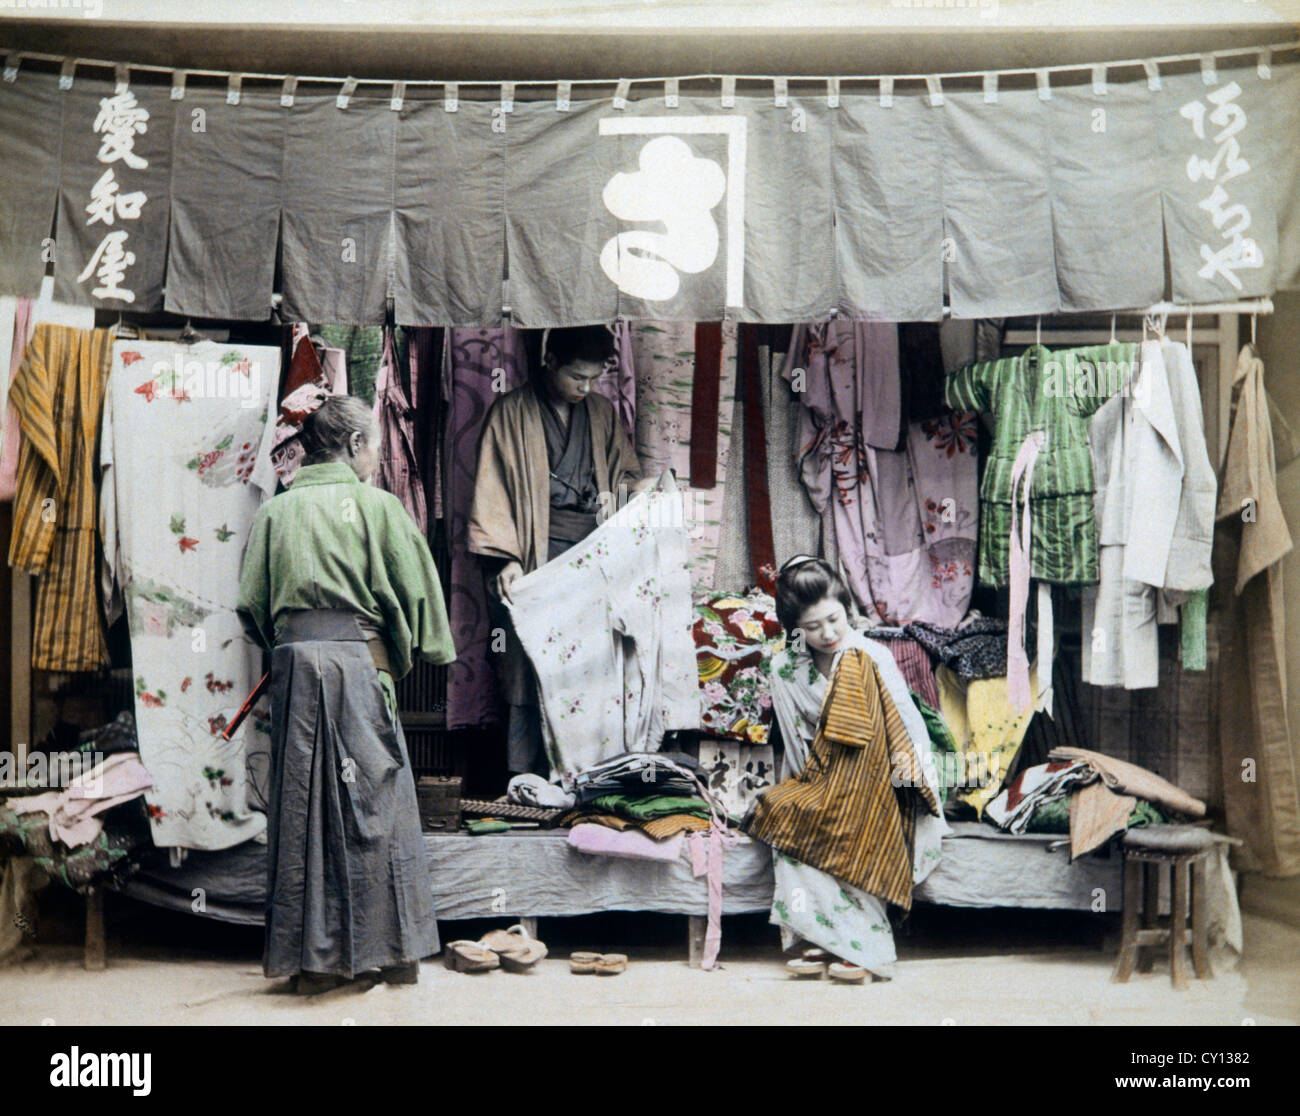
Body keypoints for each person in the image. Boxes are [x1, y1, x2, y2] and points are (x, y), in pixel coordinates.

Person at [237, 395, 456, 995]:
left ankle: (310, 964)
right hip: (358, 666)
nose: (380, 454)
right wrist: (411, 653)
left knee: (301, 811)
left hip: (296, 671)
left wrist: (293, 646)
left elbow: (251, 608)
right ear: (356, 446)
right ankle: (392, 956)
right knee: (375, 805)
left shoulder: (276, 515)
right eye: (376, 444)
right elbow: (421, 602)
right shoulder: (377, 507)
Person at [468, 325, 651, 776]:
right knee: (530, 669)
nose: (585, 388)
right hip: (534, 557)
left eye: (593, 379)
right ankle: (524, 777)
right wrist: (506, 559)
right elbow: (492, 493)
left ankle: (582, 777)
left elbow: (624, 474)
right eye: (576, 377)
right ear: (549, 361)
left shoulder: (602, 413)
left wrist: (631, 493)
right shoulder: (510, 413)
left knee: (588, 669)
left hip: (590, 559)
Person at [766, 555, 947, 982]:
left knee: (861, 825)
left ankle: (866, 950)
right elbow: (796, 747)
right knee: (788, 824)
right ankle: (822, 936)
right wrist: (804, 795)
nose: (827, 634)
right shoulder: (785, 669)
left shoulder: (873, 656)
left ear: (847, 607)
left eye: (834, 618)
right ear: (796, 630)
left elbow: (909, 735)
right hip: (824, 779)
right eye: (812, 628)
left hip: (890, 779)